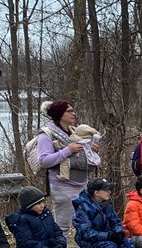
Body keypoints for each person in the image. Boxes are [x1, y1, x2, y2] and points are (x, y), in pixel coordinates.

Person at [35, 99, 97, 233]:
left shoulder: (74, 132)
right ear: (59, 114)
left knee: (82, 223)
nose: (73, 114)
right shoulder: (46, 134)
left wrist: (91, 150)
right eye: (69, 111)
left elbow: (79, 155)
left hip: (81, 185)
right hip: (62, 186)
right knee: (63, 226)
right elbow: (44, 161)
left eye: (73, 111)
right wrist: (67, 150)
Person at [72, 178, 141, 248]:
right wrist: (109, 236)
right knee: (110, 247)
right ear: (97, 193)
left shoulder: (107, 203)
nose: (109, 192)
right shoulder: (82, 207)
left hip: (106, 236)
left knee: (127, 243)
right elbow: (87, 233)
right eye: (106, 190)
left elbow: (115, 221)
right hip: (89, 241)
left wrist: (119, 231)